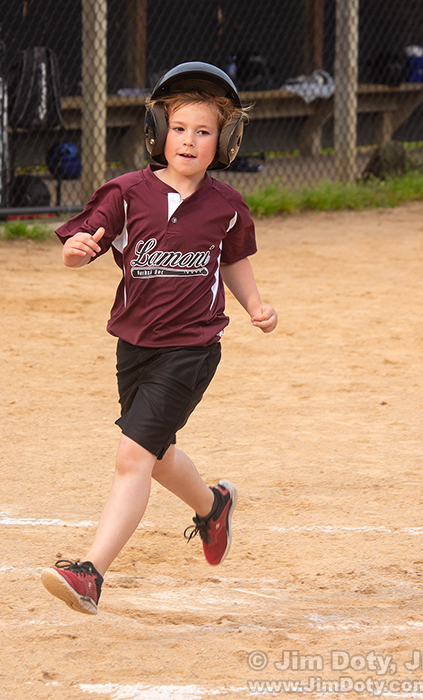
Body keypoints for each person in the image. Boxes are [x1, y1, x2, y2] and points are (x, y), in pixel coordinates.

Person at [41, 62, 278, 615]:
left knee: (133, 457)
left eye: (203, 131)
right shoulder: (127, 193)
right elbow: (85, 238)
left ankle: (90, 574)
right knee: (159, 451)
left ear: (224, 140)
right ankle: (213, 505)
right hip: (134, 345)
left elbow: (233, 258)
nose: (190, 141)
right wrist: (74, 253)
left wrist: (256, 304)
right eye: (178, 128)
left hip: (193, 348)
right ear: (156, 132)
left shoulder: (225, 205)